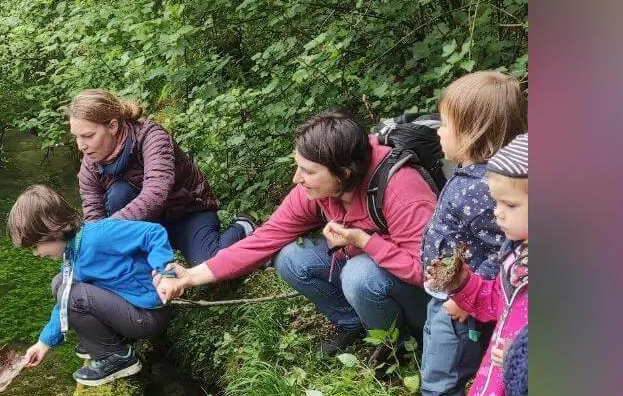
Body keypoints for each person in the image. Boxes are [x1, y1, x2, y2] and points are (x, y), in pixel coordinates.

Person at [153, 111, 436, 360]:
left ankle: (399, 347)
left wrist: (365, 242)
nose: (296, 179)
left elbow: (428, 272)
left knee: (359, 273)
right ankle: (356, 325)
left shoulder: (402, 188)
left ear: (344, 173)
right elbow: (265, 239)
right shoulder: (317, 190)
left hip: (424, 297)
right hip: (374, 270)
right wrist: (191, 276)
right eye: (298, 166)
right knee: (291, 258)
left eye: (308, 171)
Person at [397, 71, 526, 396]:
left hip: (460, 306)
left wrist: (463, 297)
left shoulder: (483, 189)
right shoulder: (476, 178)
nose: (438, 133)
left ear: (474, 132)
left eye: (447, 125)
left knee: (442, 375)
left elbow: (495, 251)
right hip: (453, 295)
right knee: (444, 370)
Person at [424, 134, 529, 396]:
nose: (497, 213)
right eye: (496, 201)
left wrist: (523, 350)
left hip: (528, 395)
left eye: (510, 204)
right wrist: (463, 283)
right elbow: (498, 306)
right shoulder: (517, 257)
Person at [8, 185, 173, 386]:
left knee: (74, 294)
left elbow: (152, 233)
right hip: (128, 311)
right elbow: (63, 302)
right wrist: (44, 343)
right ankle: (104, 340)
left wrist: (165, 273)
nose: (36, 254)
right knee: (59, 283)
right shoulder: (72, 254)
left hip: (148, 314)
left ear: (53, 227)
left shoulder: (100, 235)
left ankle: (116, 358)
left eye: (35, 246)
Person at [70, 89, 254, 266]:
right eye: (77, 137)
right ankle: (144, 262)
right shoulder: (90, 166)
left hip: (187, 213)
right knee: (119, 194)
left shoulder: (151, 137)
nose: (81, 146)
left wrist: (108, 229)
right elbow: (94, 216)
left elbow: (156, 194)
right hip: (146, 224)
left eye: (88, 136)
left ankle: (243, 227)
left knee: (209, 263)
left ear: (112, 126)